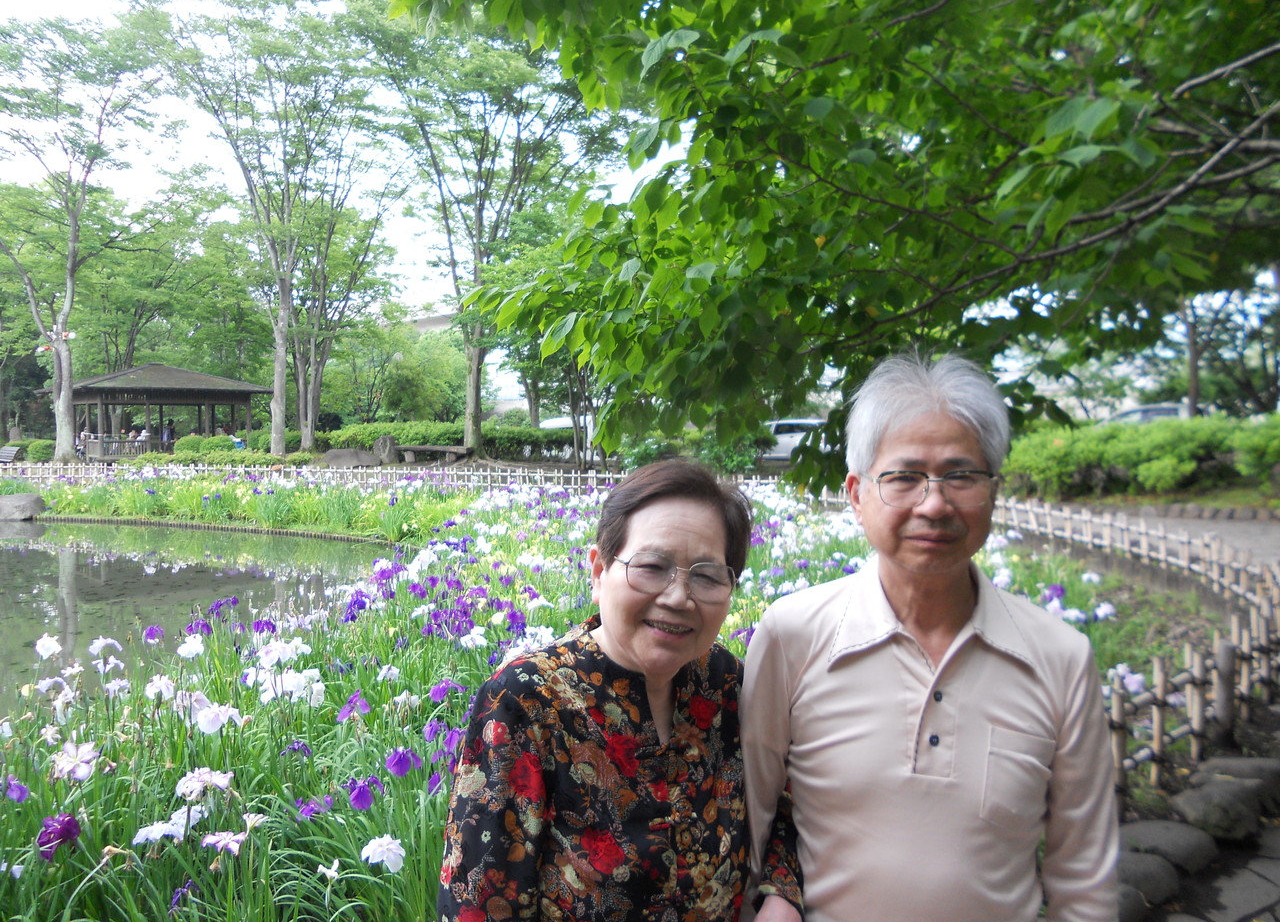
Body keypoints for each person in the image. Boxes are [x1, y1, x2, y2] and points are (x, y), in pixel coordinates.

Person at [742, 353, 1118, 922]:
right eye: (904, 476)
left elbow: (1084, 879)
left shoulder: (1060, 657)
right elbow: (749, 823)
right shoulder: (793, 635)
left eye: (961, 475)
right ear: (856, 495)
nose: (935, 503)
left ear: (993, 490)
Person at [438, 459, 755, 921]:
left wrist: (781, 896)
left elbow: (788, 803)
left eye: (706, 576)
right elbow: (479, 905)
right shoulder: (527, 701)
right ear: (598, 570)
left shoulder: (727, 683)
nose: (678, 597)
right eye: (651, 566)